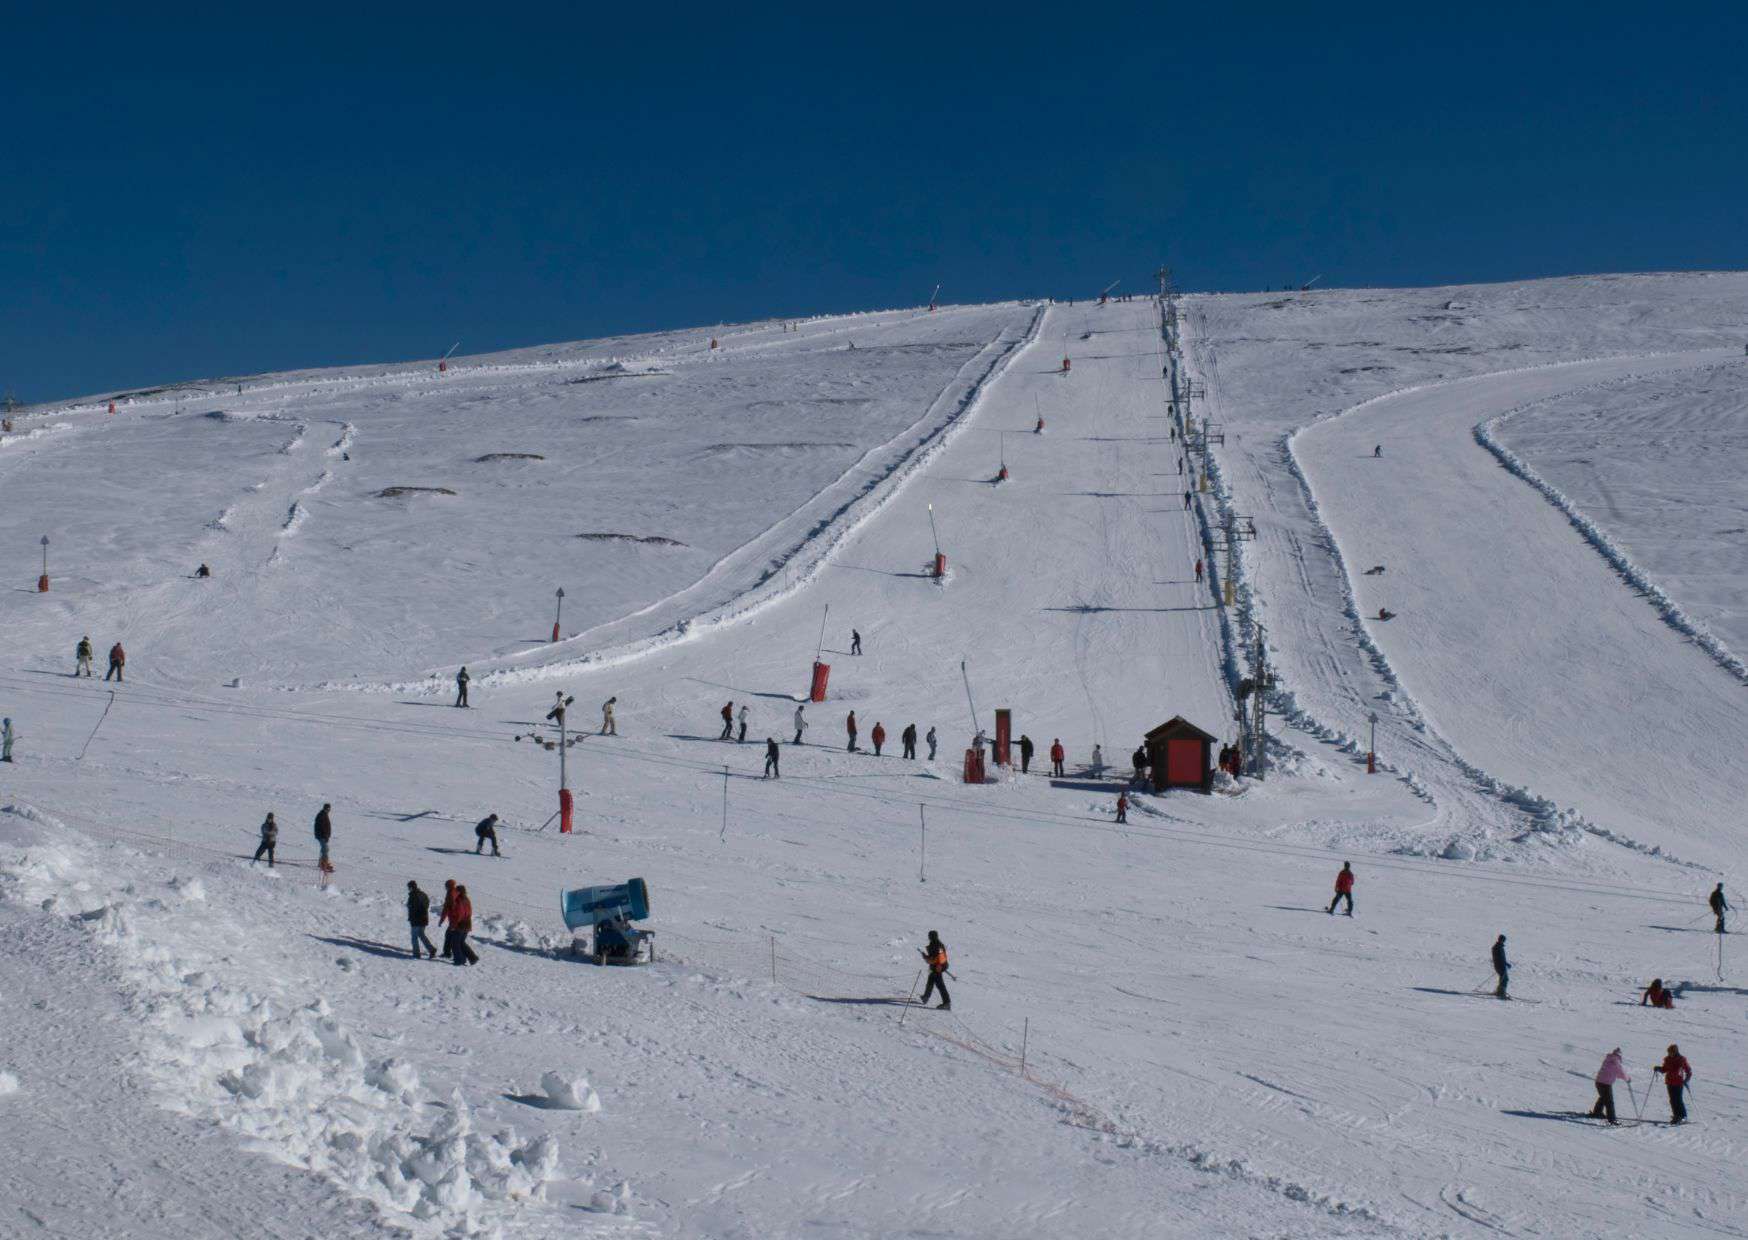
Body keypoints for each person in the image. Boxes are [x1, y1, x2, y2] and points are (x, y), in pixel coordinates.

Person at [1653, 1044, 1691, 1124]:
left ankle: (1683, 1116)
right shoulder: (1668, 1059)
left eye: (1671, 1052)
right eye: (1669, 1052)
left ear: (1675, 1052)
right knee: (1672, 1100)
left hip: (1678, 1082)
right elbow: (1664, 1069)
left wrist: (1686, 1080)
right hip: (1670, 1082)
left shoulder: (1681, 1060)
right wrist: (1658, 1068)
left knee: (1678, 1100)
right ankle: (1676, 1115)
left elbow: (1688, 1071)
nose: (1669, 1054)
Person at [1591, 1049, 1629, 1126]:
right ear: (1619, 1056)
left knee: (1603, 1097)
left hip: (1599, 1082)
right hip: (1605, 1084)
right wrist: (1628, 1079)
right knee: (1609, 1102)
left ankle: (1597, 1112)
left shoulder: (1608, 1059)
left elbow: (1616, 1073)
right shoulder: (1615, 1062)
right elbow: (1621, 1073)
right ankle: (1612, 1120)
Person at [919, 931, 950, 1010]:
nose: (928, 938)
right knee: (930, 981)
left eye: (929, 936)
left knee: (940, 985)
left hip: (937, 968)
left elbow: (934, 959)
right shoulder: (938, 944)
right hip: (938, 967)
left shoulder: (935, 946)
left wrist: (925, 957)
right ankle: (926, 996)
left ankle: (947, 1003)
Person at [448, 884, 479, 966]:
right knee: (461, 942)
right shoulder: (466, 899)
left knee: (455, 943)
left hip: (460, 924)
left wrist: (454, 925)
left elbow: (459, 914)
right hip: (467, 923)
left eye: (456, 891)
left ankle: (459, 960)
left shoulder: (458, 900)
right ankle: (473, 958)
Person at [407, 881, 438, 959]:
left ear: (411, 887)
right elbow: (427, 905)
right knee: (421, 935)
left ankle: (416, 954)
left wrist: (410, 910)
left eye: (409, 887)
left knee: (414, 937)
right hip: (424, 919)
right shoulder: (423, 894)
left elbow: (412, 907)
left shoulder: (413, 895)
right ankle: (431, 949)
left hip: (416, 919)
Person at [437, 879, 459, 959]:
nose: (445, 887)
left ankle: (448, 953)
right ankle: (450, 953)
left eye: (446, 885)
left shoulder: (450, 893)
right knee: (452, 936)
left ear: (449, 886)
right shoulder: (457, 891)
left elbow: (446, 908)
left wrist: (441, 920)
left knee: (449, 936)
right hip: (459, 918)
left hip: (454, 919)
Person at [1491, 934, 1510, 999]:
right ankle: (1501, 992)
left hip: (1501, 965)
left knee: (1503, 978)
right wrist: (1505, 963)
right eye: (1502, 940)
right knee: (1505, 979)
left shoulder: (1500, 947)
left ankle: (1500, 991)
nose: (1503, 941)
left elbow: (1502, 958)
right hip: (1499, 965)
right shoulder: (1497, 947)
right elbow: (1498, 958)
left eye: (1503, 940)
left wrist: (1506, 963)